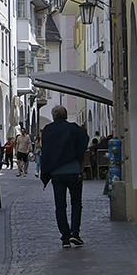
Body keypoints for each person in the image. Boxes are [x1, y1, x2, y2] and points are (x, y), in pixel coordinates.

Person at [40, 105, 90, 247]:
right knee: (76, 203)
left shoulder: (48, 130)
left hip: (57, 173)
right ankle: (75, 233)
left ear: (53, 116)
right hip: (74, 171)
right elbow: (84, 139)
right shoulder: (74, 129)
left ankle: (65, 237)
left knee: (60, 205)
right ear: (66, 115)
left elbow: (45, 151)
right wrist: (79, 158)